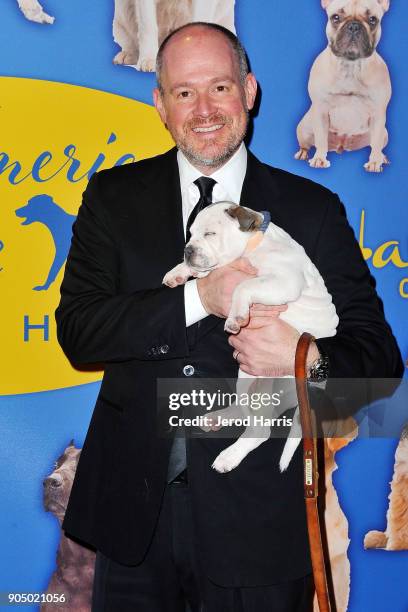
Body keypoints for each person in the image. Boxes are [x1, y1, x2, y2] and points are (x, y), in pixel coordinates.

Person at [55, 22, 403, 612]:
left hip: (263, 526)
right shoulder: (112, 197)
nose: (205, 109)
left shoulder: (312, 210)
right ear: (160, 104)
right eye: (184, 92)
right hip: (135, 521)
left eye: (219, 87)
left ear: (250, 90)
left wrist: (306, 360)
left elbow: (378, 357)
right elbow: (80, 332)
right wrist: (200, 298)